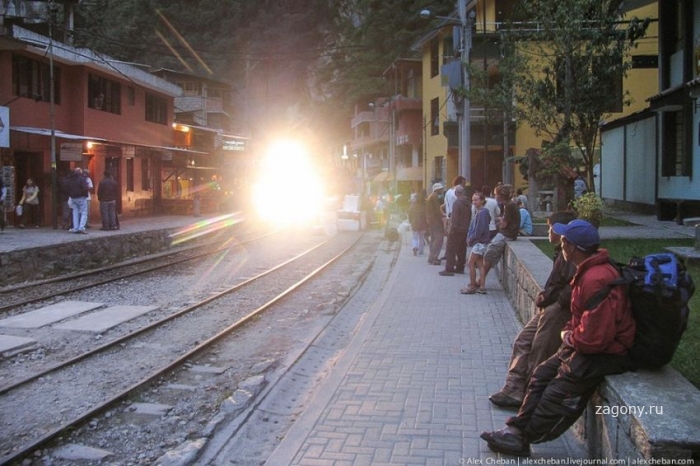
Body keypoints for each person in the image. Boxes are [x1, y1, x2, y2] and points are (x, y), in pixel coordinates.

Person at [481, 219, 636, 457]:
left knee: (559, 390)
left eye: (563, 240)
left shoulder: (596, 278)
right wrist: (570, 334)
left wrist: (569, 337)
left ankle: (525, 438)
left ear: (572, 247)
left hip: (606, 352)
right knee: (542, 374)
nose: (560, 243)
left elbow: (595, 339)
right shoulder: (586, 271)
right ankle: (517, 427)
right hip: (582, 342)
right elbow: (579, 316)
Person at [488, 210, 577, 408]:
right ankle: (513, 388)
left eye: (550, 228)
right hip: (550, 306)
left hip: (559, 310)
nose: (548, 232)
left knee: (540, 350)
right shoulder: (561, 253)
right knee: (523, 341)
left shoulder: (573, 255)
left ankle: (529, 396)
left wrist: (552, 300)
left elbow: (572, 288)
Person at [481, 184, 520, 290]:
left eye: (495, 194)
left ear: (501, 195)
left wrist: (498, 223)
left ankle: (481, 280)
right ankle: (481, 279)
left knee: (489, 254)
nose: (494, 196)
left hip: (507, 234)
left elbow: (504, 224)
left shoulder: (509, 205)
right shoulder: (507, 205)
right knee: (489, 252)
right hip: (506, 233)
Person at [461, 191, 491, 294]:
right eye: (473, 200)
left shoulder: (482, 213)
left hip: (479, 242)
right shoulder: (483, 212)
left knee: (470, 263)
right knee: (480, 263)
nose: (474, 202)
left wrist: (472, 238)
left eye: (476, 200)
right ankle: (482, 286)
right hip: (482, 242)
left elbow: (479, 229)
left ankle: (472, 285)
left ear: (482, 201)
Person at [439, 185, 471, 276]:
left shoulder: (457, 203)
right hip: (464, 229)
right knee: (462, 249)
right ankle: (460, 268)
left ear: (456, 193)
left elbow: (455, 219)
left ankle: (449, 269)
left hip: (456, 230)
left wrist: (451, 230)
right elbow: (469, 216)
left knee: (451, 249)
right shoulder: (468, 203)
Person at [425, 182, 446, 266]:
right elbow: (437, 210)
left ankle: (431, 257)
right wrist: (443, 216)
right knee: (439, 238)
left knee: (433, 238)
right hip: (435, 220)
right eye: (441, 189)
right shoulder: (434, 197)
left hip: (431, 220)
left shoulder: (431, 196)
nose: (442, 190)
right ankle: (434, 257)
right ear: (438, 189)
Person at [67, 167, 89, 234]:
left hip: (73, 198)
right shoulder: (82, 179)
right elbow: (85, 188)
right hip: (81, 197)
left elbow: (67, 188)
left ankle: (75, 228)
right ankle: (81, 228)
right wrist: (85, 195)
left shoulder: (70, 179)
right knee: (84, 212)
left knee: (75, 213)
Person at [408, 190, 428, 256]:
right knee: (421, 237)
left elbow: (409, 214)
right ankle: (421, 251)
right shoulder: (424, 206)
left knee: (415, 237)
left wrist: (410, 221)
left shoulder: (412, 206)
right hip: (422, 224)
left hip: (414, 223)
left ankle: (414, 247)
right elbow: (426, 214)